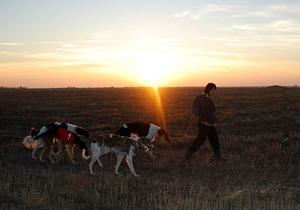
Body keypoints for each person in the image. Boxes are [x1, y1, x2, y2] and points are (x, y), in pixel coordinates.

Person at [185, 83, 225, 161]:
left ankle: (218, 157)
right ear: (209, 89)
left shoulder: (209, 99)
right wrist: (201, 115)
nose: (215, 92)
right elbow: (194, 110)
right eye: (213, 90)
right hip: (203, 124)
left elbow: (212, 111)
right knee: (199, 140)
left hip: (210, 124)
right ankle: (187, 156)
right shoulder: (200, 98)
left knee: (214, 139)